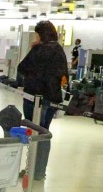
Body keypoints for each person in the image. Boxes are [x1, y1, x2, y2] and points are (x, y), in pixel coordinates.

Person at [17, 20, 69, 182]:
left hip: (34, 98)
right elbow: (63, 75)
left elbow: (21, 68)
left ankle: (30, 168)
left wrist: (33, 49)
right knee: (45, 132)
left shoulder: (38, 50)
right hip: (51, 99)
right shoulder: (59, 50)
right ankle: (39, 172)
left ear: (41, 35)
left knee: (33, 132)